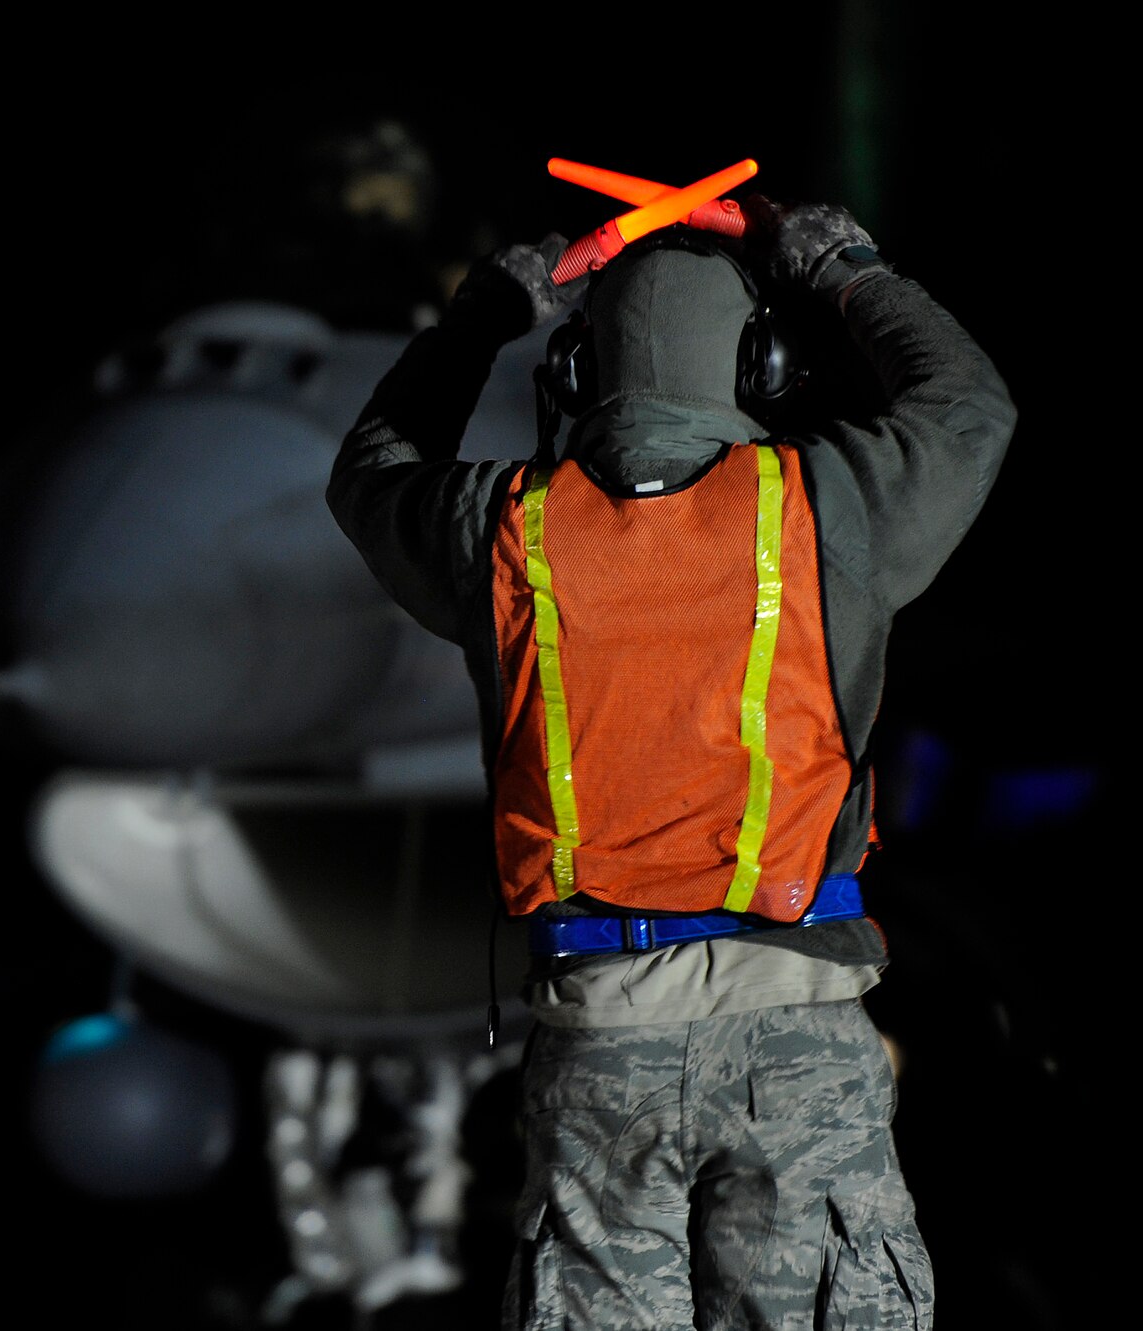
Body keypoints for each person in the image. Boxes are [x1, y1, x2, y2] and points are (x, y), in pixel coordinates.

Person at [324, 189, 1016, 1328]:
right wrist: (847, 269)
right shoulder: (829, 507)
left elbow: (369, 471)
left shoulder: (500, 531)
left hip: (598, 1041)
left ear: (572, 378)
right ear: (760, 370)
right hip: (796, 1031)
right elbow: (968, 407)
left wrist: (479, 319)